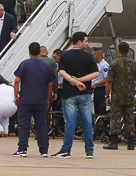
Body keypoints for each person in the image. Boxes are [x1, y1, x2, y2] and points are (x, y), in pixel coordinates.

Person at [52, 31, 99, 159]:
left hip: (69, 94)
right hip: (85, 94)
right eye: (86, 41)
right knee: (87, 123)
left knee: (70, 122)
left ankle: (66, 150)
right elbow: (96, 74)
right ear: (79, 42)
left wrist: (74, 81)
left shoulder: (64, 56)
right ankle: (89, 151)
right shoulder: (89, 57)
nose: (87, 43)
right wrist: (81, 80)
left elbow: (61, 72)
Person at [13, 42, 55, 157]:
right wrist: (47, 98)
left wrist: (16, 96)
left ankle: (22, 149)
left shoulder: (24, 64)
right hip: (40, 99)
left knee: (24, 124)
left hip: (26, 99)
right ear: (40, 52)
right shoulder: (46, 66)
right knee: (41, 125)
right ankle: (44, 150)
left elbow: (17, 81)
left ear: (29, 52)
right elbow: (50, 84)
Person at [103, 41, 136, 150]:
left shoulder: (114, 63)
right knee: (129, 118)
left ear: (118, 51)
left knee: (115, 117)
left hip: (117, 96)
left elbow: (109, 82)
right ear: (128, 51)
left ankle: (114, 142)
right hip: (130, 96)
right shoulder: (135, 64)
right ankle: (130, 143)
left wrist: (107, 96)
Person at [91, 47, 110, 116]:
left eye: (93, 55)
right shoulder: (97, 64)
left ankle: (102, 123)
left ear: (98, 55)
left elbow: (107, 79)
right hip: (96, 89)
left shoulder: (104, 65)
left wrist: (96, 84)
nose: (93, 57)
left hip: (101, 89)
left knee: (100, 109)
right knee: (96, 109)